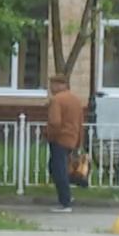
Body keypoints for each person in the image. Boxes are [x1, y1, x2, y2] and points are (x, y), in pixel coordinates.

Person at [45, 76, 84, 213]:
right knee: (56, 167)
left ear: (60, 85)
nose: (50, 88)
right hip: (71, 139)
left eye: (52, 85)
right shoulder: (76, 100)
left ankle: (65, 202)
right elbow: (80, 123)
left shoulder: (57, 100)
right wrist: (79, 142)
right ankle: (67, 192)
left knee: (58, 170)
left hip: (59, 139)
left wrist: (49, 136)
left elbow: (55, 122)